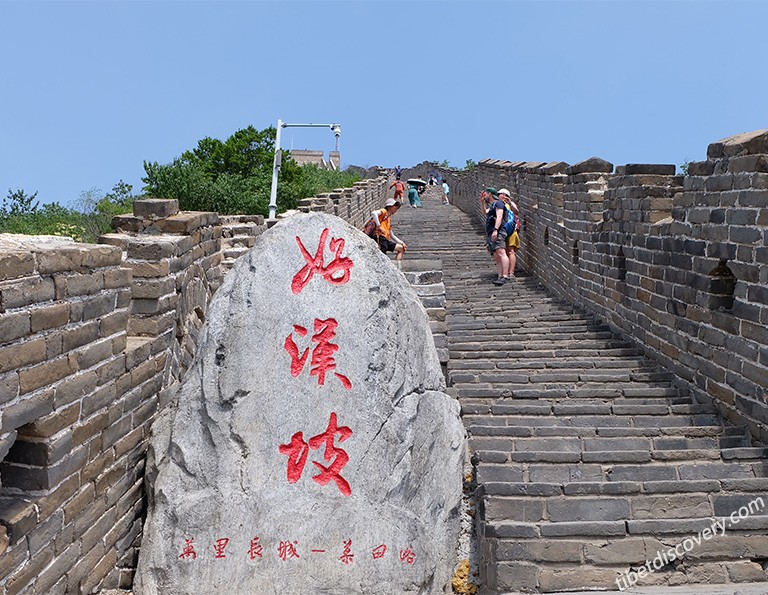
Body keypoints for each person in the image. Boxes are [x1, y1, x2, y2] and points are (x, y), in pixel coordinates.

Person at [480, 187, 511, 285]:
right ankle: (500, 276)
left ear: (489, 194)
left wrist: (496, 230)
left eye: (485, 194)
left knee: (501, 252)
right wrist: (482, 202)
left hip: (498, 231)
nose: (484, 196)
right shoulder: (493, 205)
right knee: (497, 256)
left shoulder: (499, 203)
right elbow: (485, 212)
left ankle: (505, 276)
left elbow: (500, 216)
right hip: (491, 232)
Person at [372, 198, 407, 265]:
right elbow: (374, 213)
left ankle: (397, 268)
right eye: (395, 206)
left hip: (386, 240)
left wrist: (402, 243)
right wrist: (379, 226)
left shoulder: (388, 218)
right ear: (390, 206)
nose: (396, 209)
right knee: (382, 260)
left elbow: (392, 235)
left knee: (401, 249)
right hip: (380, 239)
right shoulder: (384, 211)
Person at [498, 188, 520, 278]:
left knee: (510, 251)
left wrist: (510, 202)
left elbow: (517, 212)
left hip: (511, 230)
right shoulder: (498, 204)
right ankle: (505, 272)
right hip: (502, 231)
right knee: (504, 251)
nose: (499, 195)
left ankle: (511, 272)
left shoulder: (508, 204)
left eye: (501, 194)